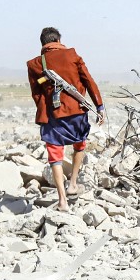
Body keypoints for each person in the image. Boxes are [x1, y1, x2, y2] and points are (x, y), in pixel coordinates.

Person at [27, 27, 105, 211]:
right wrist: (99, 106)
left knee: (55, 155)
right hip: (76, 110)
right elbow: (89, 81)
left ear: (43, 43)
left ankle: (62, 200)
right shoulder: (72, 55)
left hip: (52, 115)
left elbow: (36, 93)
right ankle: (73, 184)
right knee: (80, 144)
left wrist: (46, 108)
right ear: (58, 40)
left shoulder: (35, 64)